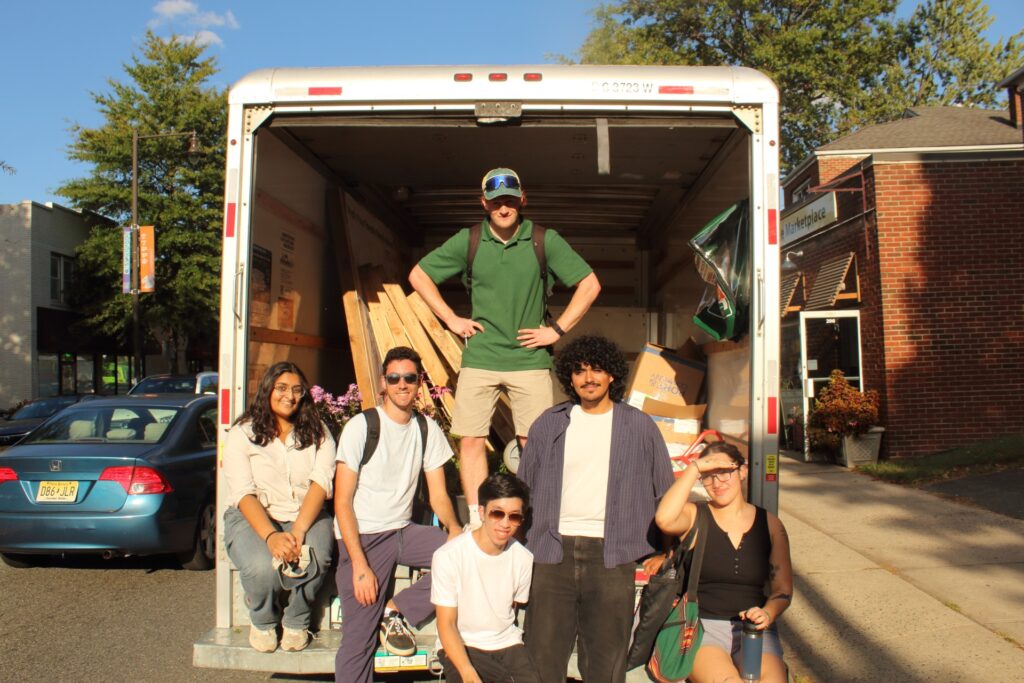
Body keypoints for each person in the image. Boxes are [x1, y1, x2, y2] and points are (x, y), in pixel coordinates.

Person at [409, 167, 601, 525]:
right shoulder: (469, 240)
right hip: (481, 356)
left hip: (530, 360)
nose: (503, 208)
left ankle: (528, 520)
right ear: (484, 203)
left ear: (522, 200)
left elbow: (589, 284)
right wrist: (451, 319)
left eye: (510, 200)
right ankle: (479, 520)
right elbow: (419, 275)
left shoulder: (544, 240)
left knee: (534, 447)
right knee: (470, 442)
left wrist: (556, 330)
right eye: (496, 202)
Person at [517, 335, 674, 683]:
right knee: (542, 659)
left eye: (597, 369)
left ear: (612, 376)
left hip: (613, 555)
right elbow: (521, 491)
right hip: (551, 551)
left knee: (606, 663)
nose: (588, 378)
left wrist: (668, 550)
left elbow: (666, 493)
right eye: (579, 371)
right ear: (569, 378)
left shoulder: (639, 426)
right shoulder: (549, 423)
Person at [334, 346, 463, 683]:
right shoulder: (361, 427)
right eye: (395, 378)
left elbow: (438, 495)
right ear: (383, 383)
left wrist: (454, 529)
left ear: (420, 382)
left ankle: (398, 610)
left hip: (404, 532)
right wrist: (359, 566)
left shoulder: (427, 429)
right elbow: (342, 502)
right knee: (358, 642)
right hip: (365, 538)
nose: (402, 384)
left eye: (410, 377)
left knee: (467, 556)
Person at [654, 442, 793, 683]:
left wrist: (767, 614)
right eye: (708, 477)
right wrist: (694, 468)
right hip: (703, 629)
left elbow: (782, 590)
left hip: (755, 631)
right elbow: (665, 519)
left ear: (742, 472)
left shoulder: (770, 524)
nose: (717, 483)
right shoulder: (696, 515)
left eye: (725, 473)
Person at [222, 361, 337, 653]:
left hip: (304, 513)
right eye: (281, 388)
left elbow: (320, 484)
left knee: (317, 557)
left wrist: (298, 530)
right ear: (267, 390)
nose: (290, 396)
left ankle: (297, 619)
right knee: (262, 567)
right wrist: (272, 537)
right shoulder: (241, 434)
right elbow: (243, 493)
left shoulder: (319, 433)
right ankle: (262, 620)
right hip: (253, 516)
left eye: (297, 390)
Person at [431, 473, 538, 683]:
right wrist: (468, 671)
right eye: (497, 514)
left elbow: (513, 607)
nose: (505, 524)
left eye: (514, 516)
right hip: (462, 643)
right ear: (481, 512)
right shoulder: (449, 556)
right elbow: (446, 625)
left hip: (507, 643)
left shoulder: (523, 558)